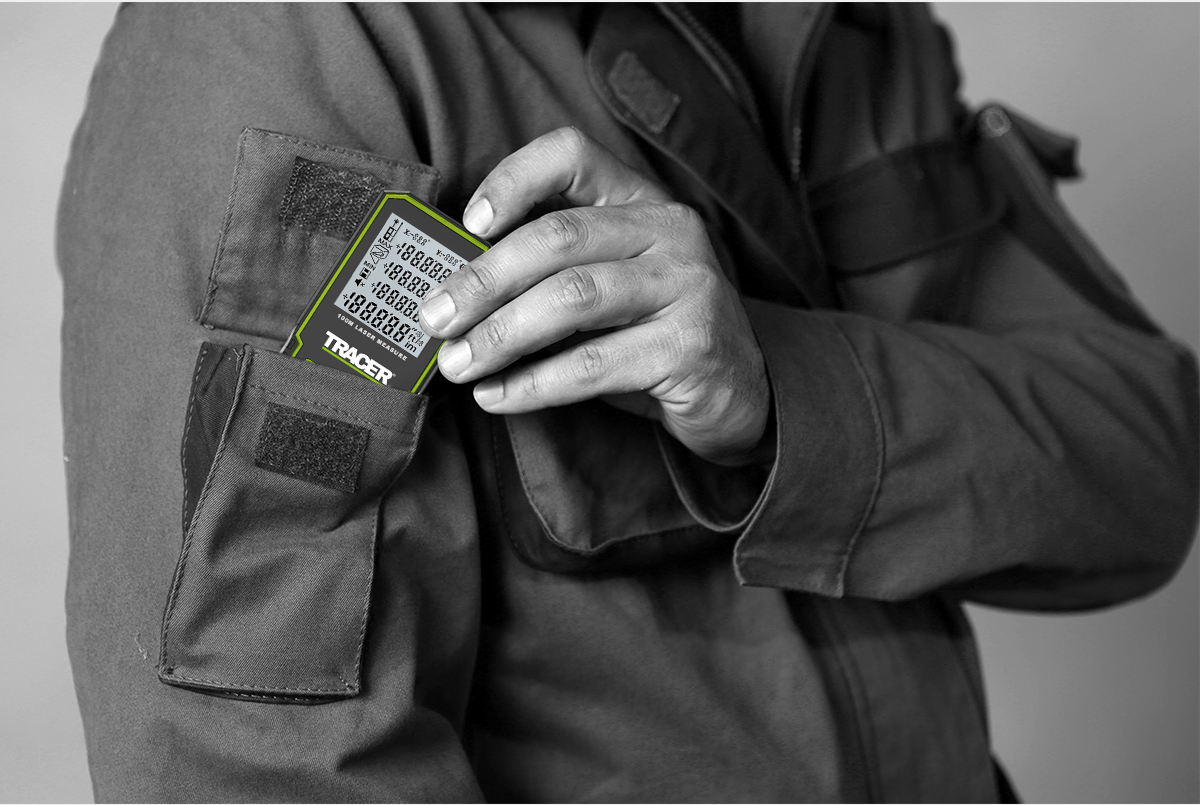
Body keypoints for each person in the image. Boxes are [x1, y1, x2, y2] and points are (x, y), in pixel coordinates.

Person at [58, 4, 1197, 802]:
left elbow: (1145, 463)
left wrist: (774, 392)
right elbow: (243, 754)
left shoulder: (848, 27)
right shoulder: (301, 39)